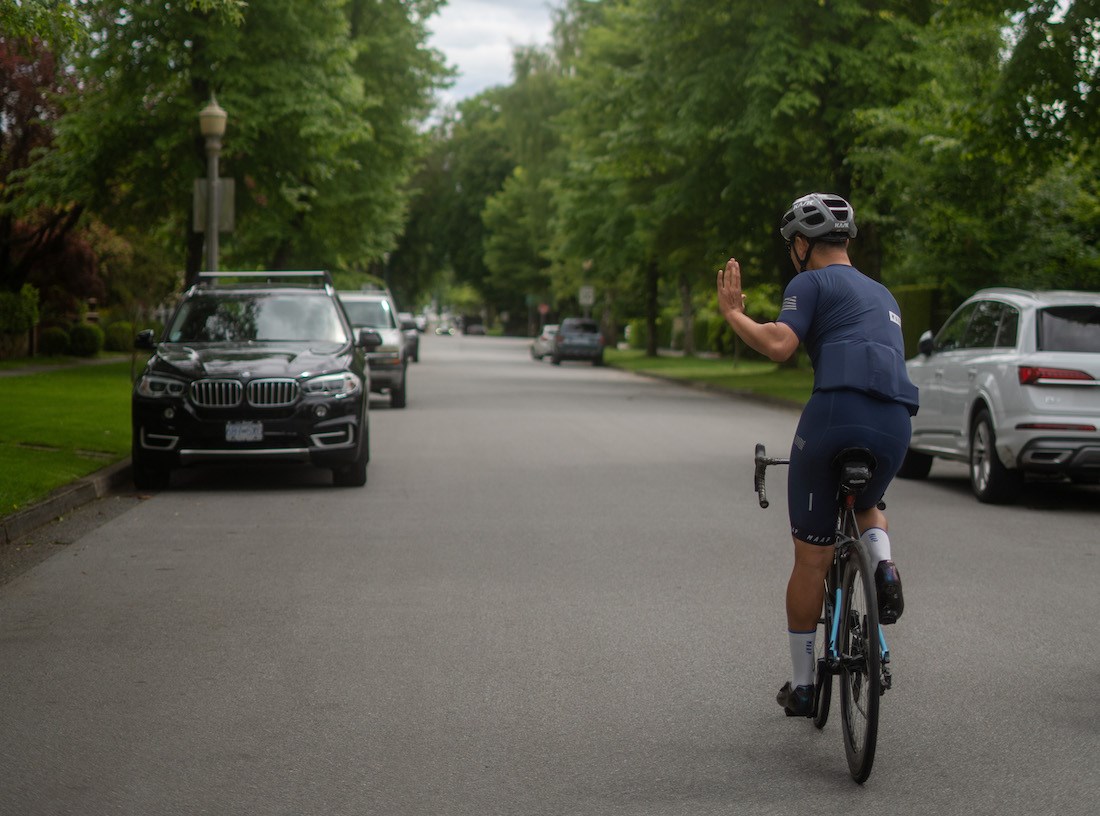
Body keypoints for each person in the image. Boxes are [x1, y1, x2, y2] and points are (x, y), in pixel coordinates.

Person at [716, 192, 919, 718]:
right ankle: (884, 566)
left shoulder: (810, 281)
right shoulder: (887, 295)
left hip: (835, 413)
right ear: (846, 240)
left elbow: (781, 344)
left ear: (803, 244)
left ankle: (804, 686)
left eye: (793, 245)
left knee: (812, 557)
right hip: (897, 419)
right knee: (870, 499)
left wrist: (735, 315)